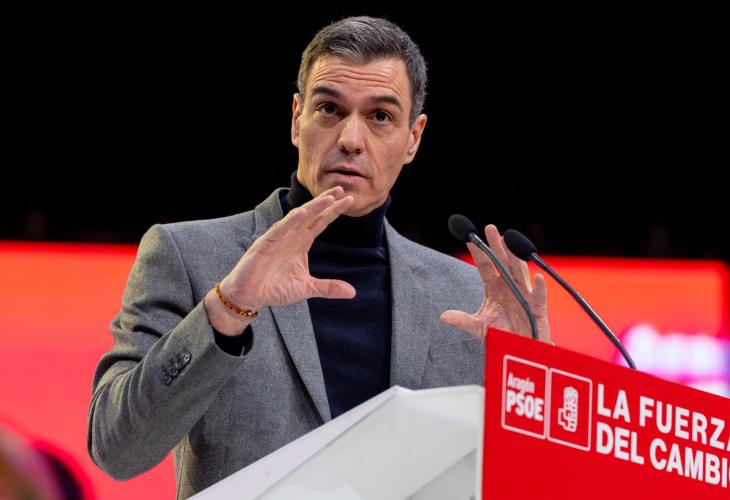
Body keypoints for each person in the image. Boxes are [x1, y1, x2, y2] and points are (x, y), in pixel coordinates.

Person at [87, 15, 551, 498]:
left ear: (413, 138)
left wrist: (535, 378)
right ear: (296, 118)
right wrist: (227, 309)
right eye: (329, 109)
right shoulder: (190, 257)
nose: (350, 139)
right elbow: (117, 450)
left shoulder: (467, 297)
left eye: (380, 116)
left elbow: (528, 481)